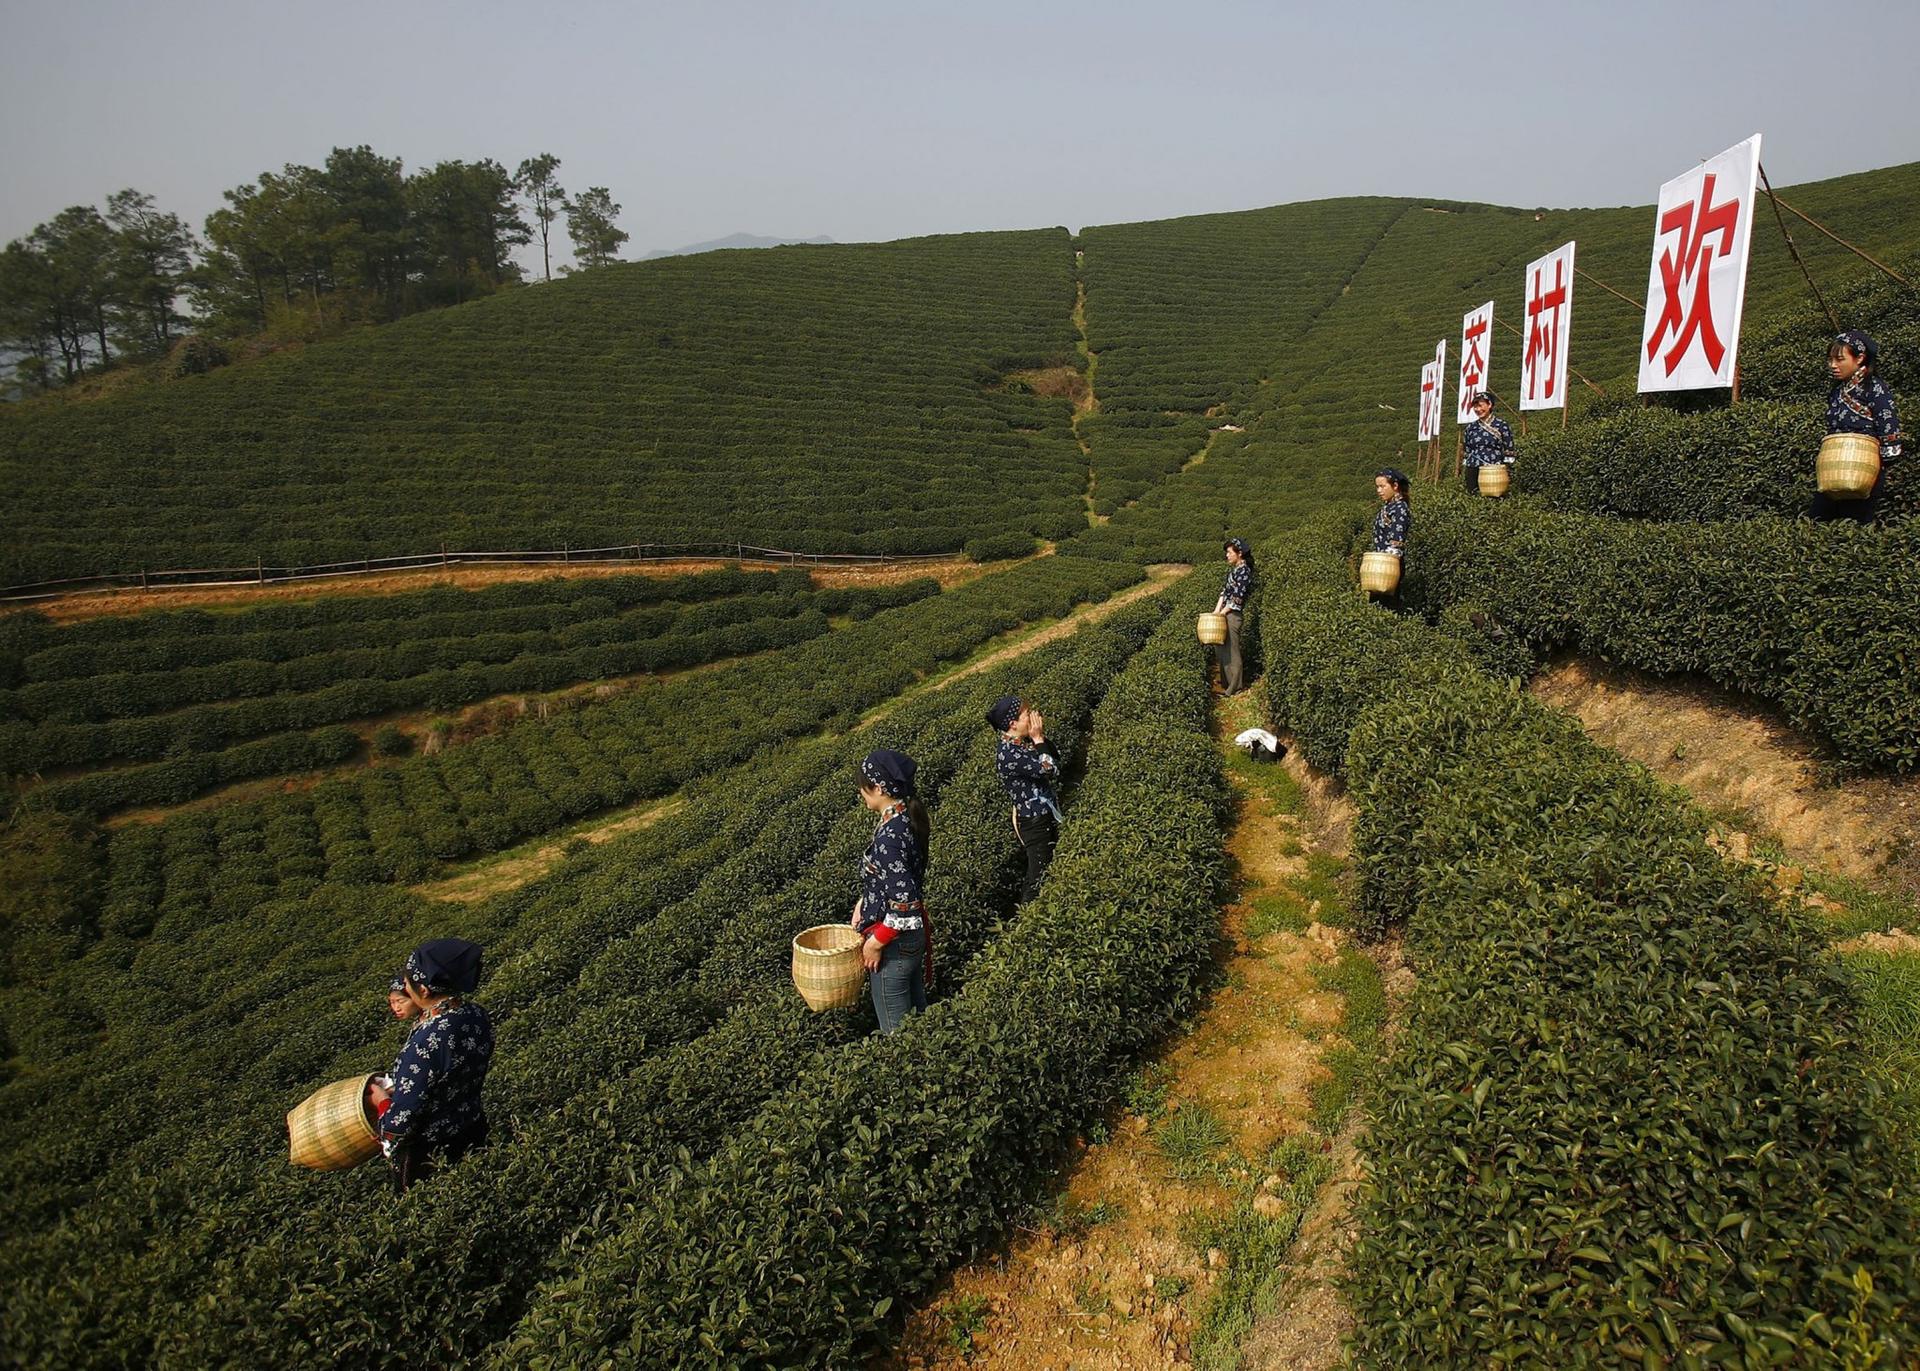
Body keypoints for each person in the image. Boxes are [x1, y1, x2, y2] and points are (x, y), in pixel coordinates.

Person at [370, 938, 493, 1194]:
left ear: (424, 990)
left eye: (407, 982)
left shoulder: (429, 1040)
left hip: (430, 1153)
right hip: (472, 1128)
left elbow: (400, 1123)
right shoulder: (475, 1014)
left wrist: (381, 1102)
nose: (404, 986)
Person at [849, 748, 931, 1035]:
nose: (862, 793)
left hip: (895, 945)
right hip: (909, 941)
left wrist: (875, 943)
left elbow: (905, 902)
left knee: (896, 1030)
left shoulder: (890, 836)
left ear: (879, 788)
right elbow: (895, 877)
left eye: (864, 787)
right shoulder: (902, 818)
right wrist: (865, 900)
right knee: (918, 1016)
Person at [1811, 329, 1902, 524]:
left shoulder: (1874, 388)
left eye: (1839, 359)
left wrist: (1884, 460)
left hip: (1863, 465)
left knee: (1855, 520)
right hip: (1835, 464)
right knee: (1819, 518)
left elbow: (1888, 423)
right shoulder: (1837, 390)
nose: (1833, 366)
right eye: (1830, 360)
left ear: (1860, 358)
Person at [988, 695, 1063, 905]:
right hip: (1034, 821)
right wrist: (1038, 740)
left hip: (1043, 814)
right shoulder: (1009, 753)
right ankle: (1027, 918)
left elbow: (1054, 758)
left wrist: (1039, 739)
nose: (1032, 716)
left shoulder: (1022, 743)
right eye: (1026, 714)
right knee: (1038, 873)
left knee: (1048, 866)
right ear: (1013, 724)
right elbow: (1048, 770)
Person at [1212, 538, 1254, 696]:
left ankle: (1235, 688)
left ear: (1240, 553)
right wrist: (1217, 611)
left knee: (1232, 651)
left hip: (1232, 615)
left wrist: (1222, 613)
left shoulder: (1244, 572)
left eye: (1229, 552)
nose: (1227, 556)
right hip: (1224, 613)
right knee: (1221, 649)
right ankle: (1226, 683)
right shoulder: (1234, 571)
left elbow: (1237, 598)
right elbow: (1224, 592)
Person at [1370, 468, 1412, 609]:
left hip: (1389, 565)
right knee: (1379, 605)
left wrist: (1385, 563)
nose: (1379, 491)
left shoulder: (1400, 508)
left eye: (1382, 486)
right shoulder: (1389, 506)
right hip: (1381, 565)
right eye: (1377, 487)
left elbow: (1396, 542)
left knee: (1387, 605)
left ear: (1395, 486)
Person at [1460, 391, 1515, 493]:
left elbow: (1509, 448)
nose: (1478, 409)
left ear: (1489, 405)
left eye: (1480, 406)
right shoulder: (1470, 428)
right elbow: (1466, 449)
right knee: (1473, 497)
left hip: (1494, 470)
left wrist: (1507, 470)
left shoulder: (1501, 425)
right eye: (1475, 407)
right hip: (1473, 469)